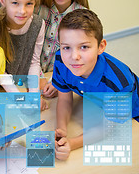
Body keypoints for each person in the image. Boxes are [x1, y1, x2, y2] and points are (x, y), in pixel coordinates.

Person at [52, 9, 139, 160]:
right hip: (96, 102)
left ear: (101, 47)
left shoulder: (119, 83)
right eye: (66, 47)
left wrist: (72, 143)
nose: (74, 57)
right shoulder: (61, 60)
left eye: (84, 47)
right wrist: (61, 129)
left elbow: (109, 127)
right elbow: (65, 99)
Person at [36, 0, 89, 98]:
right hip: (32, 76)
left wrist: (56, 81)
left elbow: (82, 58)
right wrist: (39, 77)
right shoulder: (36, 8)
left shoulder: (83, 16)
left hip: (63, 79)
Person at [0, 0, 48, 110]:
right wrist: (18, 98)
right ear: (3, 0)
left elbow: (34, 61)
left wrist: (33, 95)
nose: (22, 11)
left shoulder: (38, 24)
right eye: (15, 3)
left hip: (22, 83)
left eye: (29, 4)